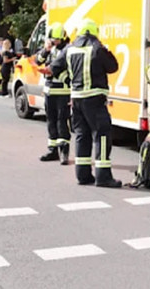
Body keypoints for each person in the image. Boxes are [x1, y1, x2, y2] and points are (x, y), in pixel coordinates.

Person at [50, 18, 121, 188]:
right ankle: (103, 177)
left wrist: (68, 80)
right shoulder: (97, 48)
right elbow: (113, 67)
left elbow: (53, 68)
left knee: (82, 136)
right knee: (102, 135)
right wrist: (107, 50)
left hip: (76, 100)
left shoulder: (69, 48)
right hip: (95, 99)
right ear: (93, 32)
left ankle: (82, 175)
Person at [36, 23, 71, 164]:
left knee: (62, 121)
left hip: (62, 90)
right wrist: (46, 50)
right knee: (50, 121)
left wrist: (52, 71)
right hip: (49, 90)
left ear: (62, 38)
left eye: (56, 40)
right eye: (52, 39)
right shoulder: (51, 49)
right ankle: (52, 150)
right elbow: (38, 61)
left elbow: (64, 70)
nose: (54, 42)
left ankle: (64, 151)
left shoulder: (68, 50)